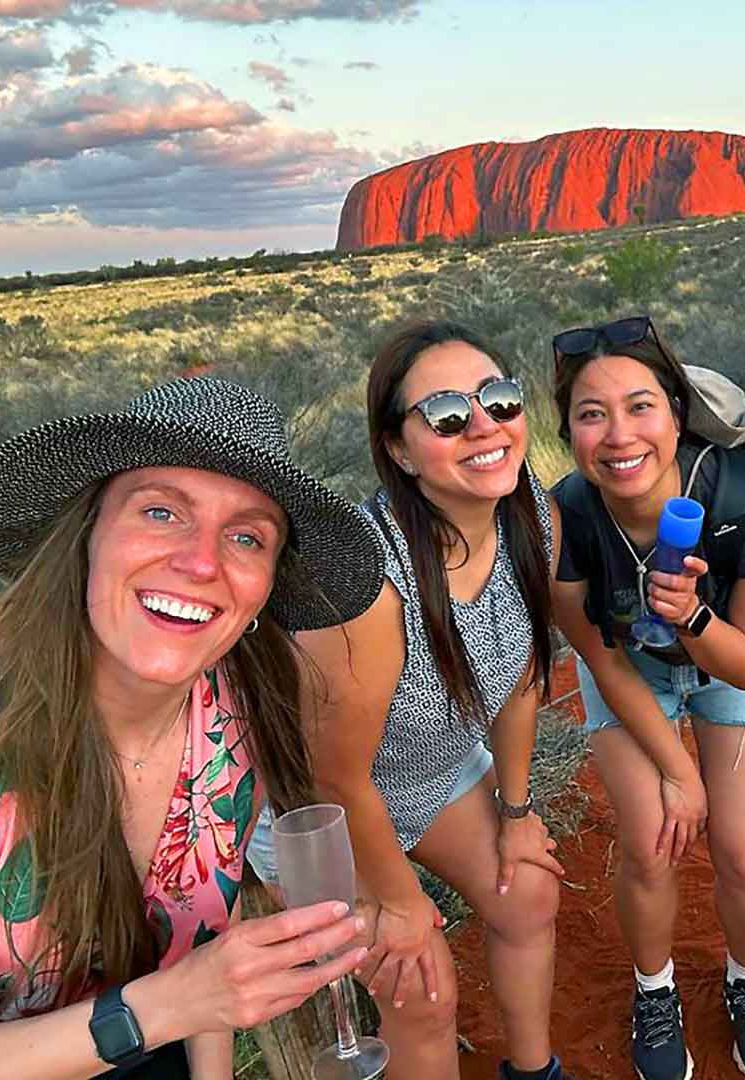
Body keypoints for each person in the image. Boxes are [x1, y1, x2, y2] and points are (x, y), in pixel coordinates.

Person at [0, 377, 386, 1079]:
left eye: (245, 536)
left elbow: (208, 960)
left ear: (265, 587)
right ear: (85, 535)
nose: (202, 562)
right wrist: (161, 1009)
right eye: (161, 512)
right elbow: (187, 994)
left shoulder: (234, 718)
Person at [245, 320, 572, 1080]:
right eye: (449, 416)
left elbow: (520, 677)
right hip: (314, 813)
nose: (485, 426)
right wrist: (397, 901)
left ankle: (534, 1071)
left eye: (499, 399)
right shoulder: (370, 581)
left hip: (430, 773)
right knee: (422, 987)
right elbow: (333, 777)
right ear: (399, 450)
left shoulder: (533, 517)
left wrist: (518, 816)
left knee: (526, 895)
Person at [549, 316, 745, 1080]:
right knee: (651, 843)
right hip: (631, 673)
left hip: (728, 662)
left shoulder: (739, 497)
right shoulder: (568, 518)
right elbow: (597, 654)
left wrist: (691, 614)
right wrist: (677, 773)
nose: (619, 435)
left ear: (675, 411)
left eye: (640, 406)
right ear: (567, 430)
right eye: (591, 414)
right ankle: (653, 988)